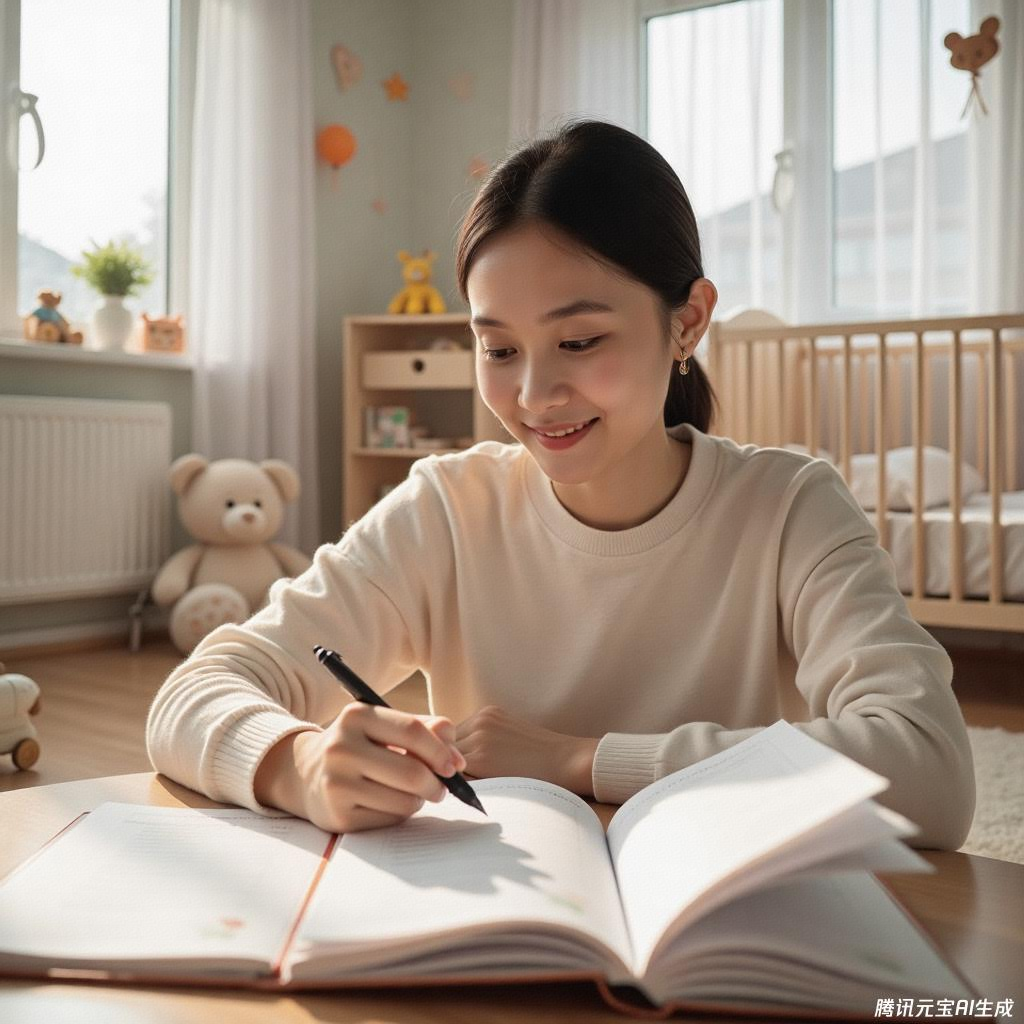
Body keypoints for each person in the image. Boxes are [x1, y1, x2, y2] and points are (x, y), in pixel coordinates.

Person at [146, 119, 975, 848]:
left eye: (579, 342)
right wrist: (295, 762)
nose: (535, 396)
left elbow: (930, 770)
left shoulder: (789, 507)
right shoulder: (447, 510)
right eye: (500, 350)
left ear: (687, 321)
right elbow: (194, 693)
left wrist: (581, 759)